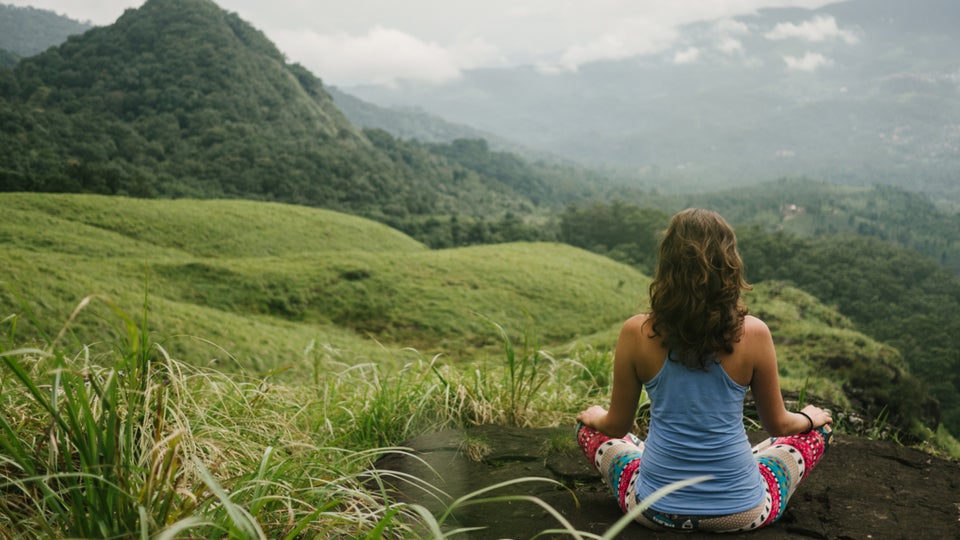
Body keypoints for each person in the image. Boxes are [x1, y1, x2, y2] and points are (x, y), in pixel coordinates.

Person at [576, 208, 833, 532]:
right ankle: (745, 466)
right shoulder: (754, 333)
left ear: (667, 267)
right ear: (730, 266)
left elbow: (615, 426)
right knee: (816, 431)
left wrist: (595, 415)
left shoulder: (636, 332)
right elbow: (779, 424)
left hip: (655, 509)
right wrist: (811, 418)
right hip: (742, 512)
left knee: (590, 430)